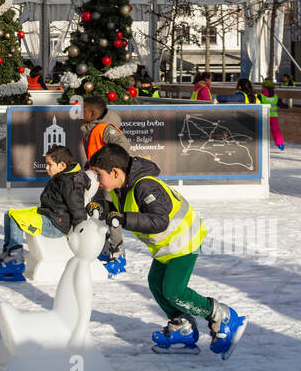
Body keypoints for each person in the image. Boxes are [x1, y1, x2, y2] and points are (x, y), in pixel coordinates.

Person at [87, 143, 246, 358]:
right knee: (156, 283)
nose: (98, 181)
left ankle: (222, 315)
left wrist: (123, 219)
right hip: (166, 246)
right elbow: (121, 211)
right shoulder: (120, 189)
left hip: (184, 240)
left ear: (115, 172)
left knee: (173, 290)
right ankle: (183, 326)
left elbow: (158, 220)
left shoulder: (145, 186)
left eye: (99, 175)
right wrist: (104, 209)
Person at [0, 145, 104, 282]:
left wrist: (79, 233)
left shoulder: (70, 182)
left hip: (56, 225)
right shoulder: (63, 177)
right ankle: (7, 254)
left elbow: (77, 208)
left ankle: (15, 262)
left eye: (49, 164)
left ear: (61, 165)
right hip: (51, 216)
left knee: (17, 219)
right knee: (10, 214)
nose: (47, 168)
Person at [79, 96, 128, 165]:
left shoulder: (105, 129)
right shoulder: (89, 129)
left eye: (82, 111)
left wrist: (109, 164)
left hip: (107, 172)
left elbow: (123, 145)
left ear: (92, 114)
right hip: (97, 170)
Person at [258, 79, 285, 151]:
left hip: (263, 115)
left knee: (261, 129)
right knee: (276, 129)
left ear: (263, 87)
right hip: (274, 116)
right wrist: (286, 106)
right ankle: (280, 144)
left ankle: (261, 144)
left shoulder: (260, 96)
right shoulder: (275, 96)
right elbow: (281, 105)